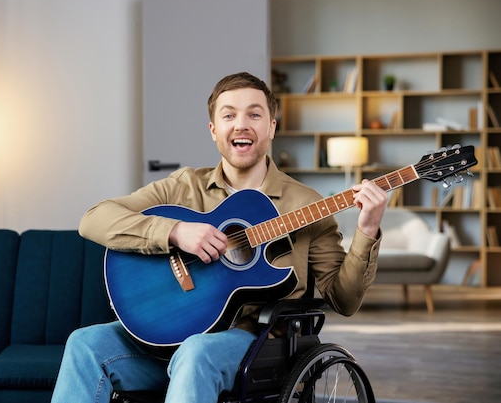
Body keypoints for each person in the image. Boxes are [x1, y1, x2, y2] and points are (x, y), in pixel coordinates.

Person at [51, 72, 388, 403]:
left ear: (272, 126)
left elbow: (344, 300)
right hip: (166, 342)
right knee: (85, 344)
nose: (241, 124)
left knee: (197, 352)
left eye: (254, 114)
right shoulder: (183, 186)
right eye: (229, 115)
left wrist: (367, 229)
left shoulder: (307, 204)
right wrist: (174, 231)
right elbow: (93, 219)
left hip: (253, 346)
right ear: (214, 130)